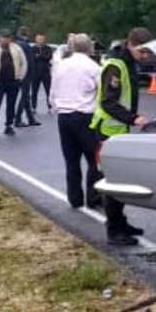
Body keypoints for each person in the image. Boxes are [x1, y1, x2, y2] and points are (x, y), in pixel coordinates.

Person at [90, 26, 152, 246]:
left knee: (121, 179)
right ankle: (114, 231)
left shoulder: (127, 62)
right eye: (142, 52)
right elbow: (108, 102)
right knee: (112, 181)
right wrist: (132, 118)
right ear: (130, 44)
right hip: (108, 129)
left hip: (118, 129)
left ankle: (121, 222)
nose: (145, 57)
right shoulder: (116, 65)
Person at [53, 34, 102, 210]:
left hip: (64, 116)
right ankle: (93, 197)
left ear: (72, 48)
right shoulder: (94, 67)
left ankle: (75, 198)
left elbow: (54, 89)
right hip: (85, 115)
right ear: (90, 48)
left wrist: (55, 107)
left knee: (71, 160)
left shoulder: (60, 65)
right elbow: (100, 93)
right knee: (93, 159)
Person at [0, 31, 27, 137]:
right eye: (3, 37)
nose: (5, 40)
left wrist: (20, 77)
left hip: (13, 81)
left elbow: (24, 63)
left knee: (11, 104)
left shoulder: (17, 49)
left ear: (10, 39)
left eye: (7, 37)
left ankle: (9, 125)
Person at [13, 27, 40, 127]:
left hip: (15, 73)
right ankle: (17, 119)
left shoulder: (14, 44)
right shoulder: (26, 46)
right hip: (25, 73)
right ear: (26, 34)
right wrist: (32, 73)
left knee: (25, 96)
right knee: (24, 96)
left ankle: (30, 119)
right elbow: (29, 62)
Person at [32, 33, 54, 112]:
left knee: (48, 90)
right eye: (39, 39)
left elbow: (48, 57)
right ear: (36, 39)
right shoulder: (33, 48)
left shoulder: (48, 48)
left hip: (45, 73)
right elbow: (32, 58)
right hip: (35, 72)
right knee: (34, 91)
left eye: (42, 39)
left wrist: (39, 56)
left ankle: (50, 106)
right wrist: (40, 56)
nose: (41, 41)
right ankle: (33, 107)